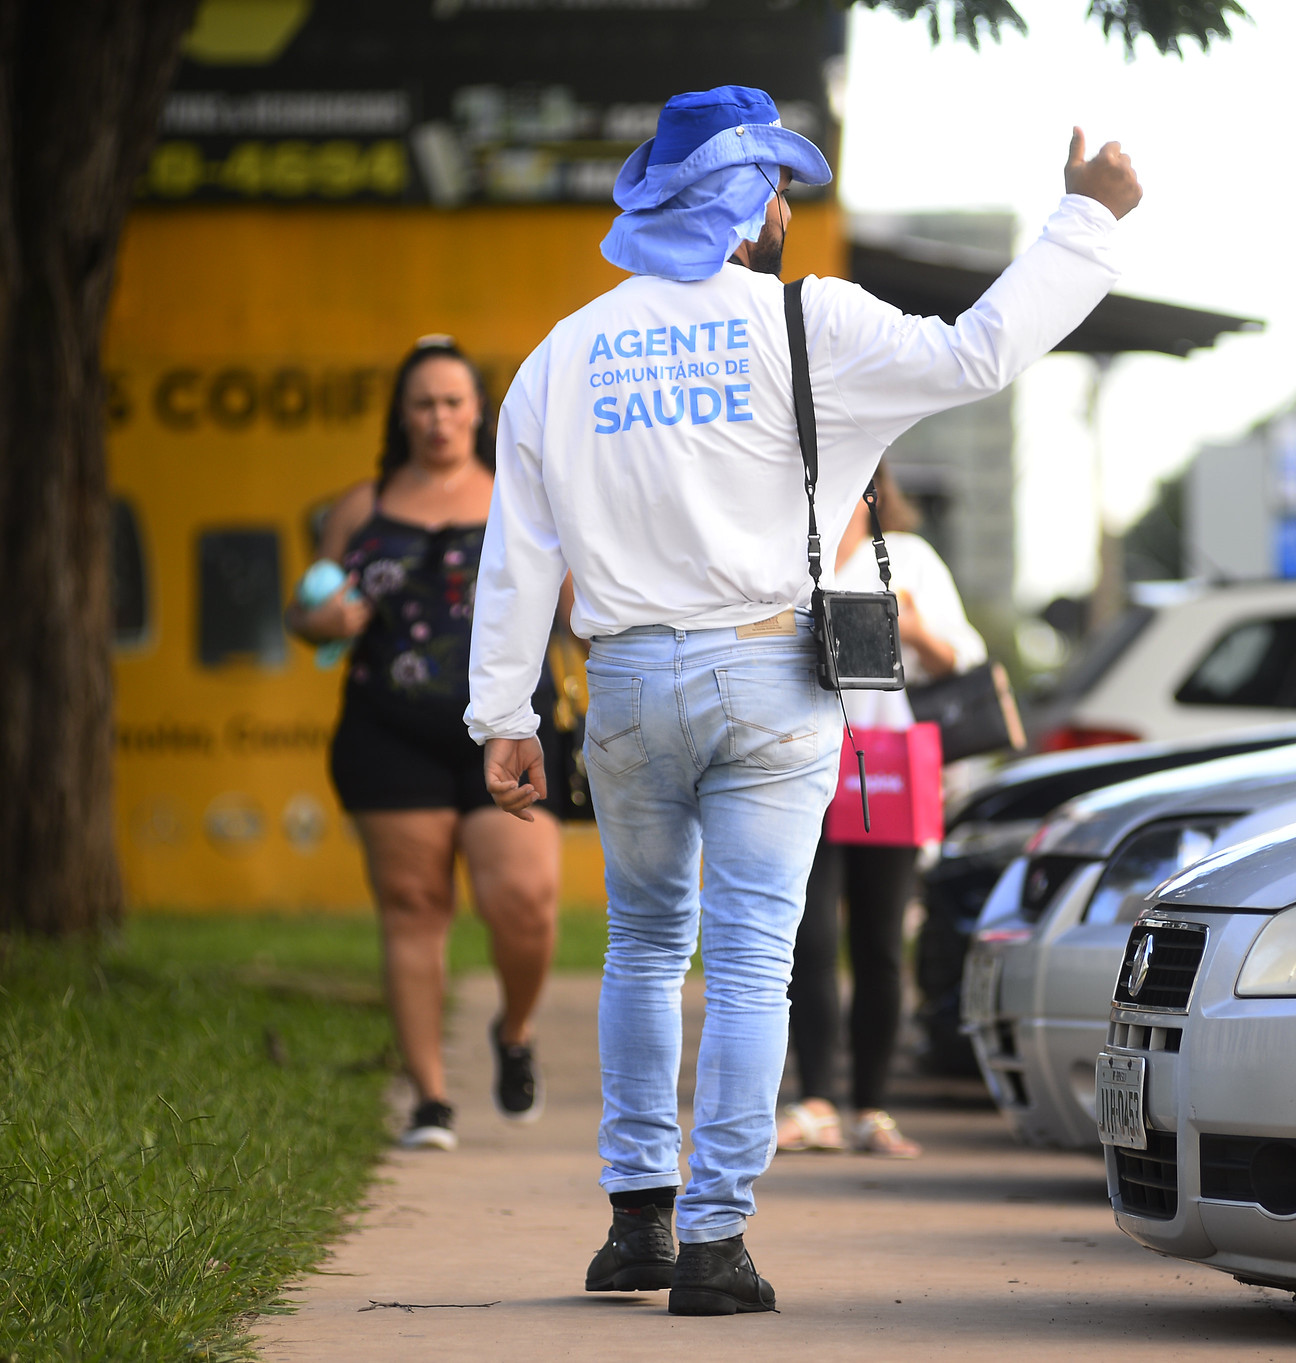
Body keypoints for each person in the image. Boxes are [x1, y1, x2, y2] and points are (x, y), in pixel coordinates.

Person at [464, 85, 1141, 1315]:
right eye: (773, 184)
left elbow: (517, 551)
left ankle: (637, 1223)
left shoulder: (564, 353)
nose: (786, 203)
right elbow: (977, 352)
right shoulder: (807, 323)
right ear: (741, 206)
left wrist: (504, 715)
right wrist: (1084, 221)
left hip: (620, 680)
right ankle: (716, 1245)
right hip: (773, 672)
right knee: (752, 962)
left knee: (642, 944)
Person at [288, 336, 564, 1151]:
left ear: (478, 410)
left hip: (506, 729)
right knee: (412, 907)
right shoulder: (361, 505)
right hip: (388, 731)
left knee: (524, 901)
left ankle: (514, 1031)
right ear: (402, 415)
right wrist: (321, 622)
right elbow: (307, 610)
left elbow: (583, 603)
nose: (439, 417)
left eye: (453, 401)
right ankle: (430, 1101)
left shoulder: (524, 493)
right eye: (423, 403)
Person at [778, 463, 985, 1159]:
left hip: (888, 771)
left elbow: (963, 657)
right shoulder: (780, 550)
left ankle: (872, 1107)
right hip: (802, 764)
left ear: (871, 484)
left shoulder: (910, 558)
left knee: (878, 942)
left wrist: (916, 627)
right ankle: (814, 1102)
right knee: (805, 939)